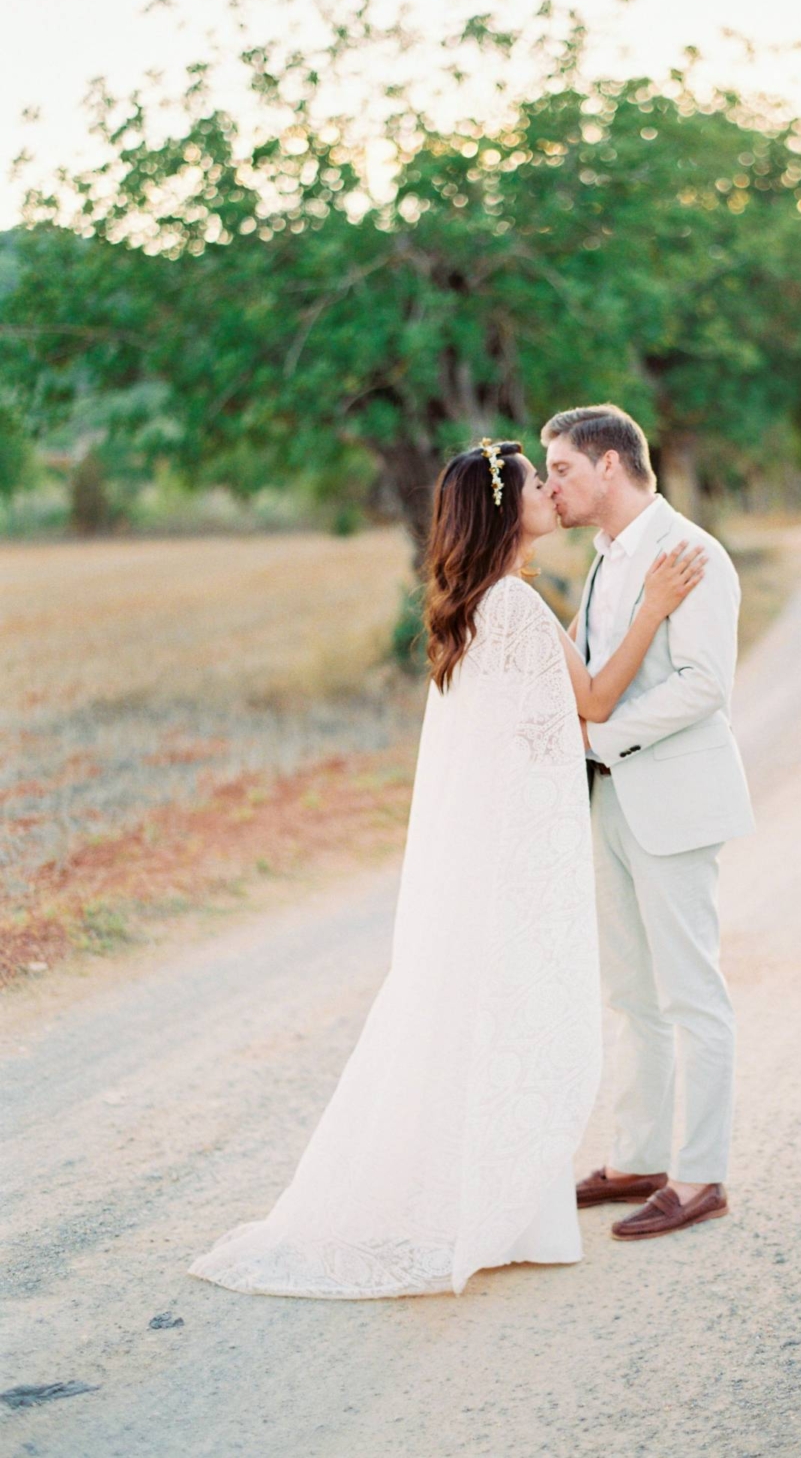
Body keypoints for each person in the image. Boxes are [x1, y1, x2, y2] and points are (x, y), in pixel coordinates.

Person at [187, 439, 705, 1298]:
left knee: (488, 1014)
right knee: (524, 1014)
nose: (551, 491)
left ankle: (486, 1196)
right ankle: (495, 1204)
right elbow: (596, 700)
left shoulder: (484, 606)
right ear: (508, 509)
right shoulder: (515, 610)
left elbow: (550, 684)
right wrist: (651, 608)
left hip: (495, 850)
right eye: (538, 483)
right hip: (522, 857)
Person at [542, 405, 755, 1241]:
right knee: (633, 992)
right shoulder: (602, 560)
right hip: (611, 801)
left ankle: (702, 1174)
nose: (551, 484)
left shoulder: (693, 552)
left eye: (560, 467)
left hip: (672, 798)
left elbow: (705, 684)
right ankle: (638, 1157)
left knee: (692, 990)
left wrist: (599, 736)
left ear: (608, 464)